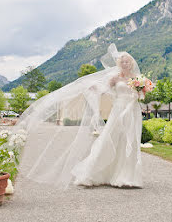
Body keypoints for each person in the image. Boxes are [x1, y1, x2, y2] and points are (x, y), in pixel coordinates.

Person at [16, 44, 143, 188]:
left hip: (132, 110)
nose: (125, 64)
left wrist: (142, 92)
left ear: (131, 63)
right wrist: (94, 89)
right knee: (110, 138)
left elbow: (141, 94)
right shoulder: (115, 78)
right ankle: (95, 172)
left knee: (129, 139)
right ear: (119, 64)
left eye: (127, 61)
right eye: (123, 62)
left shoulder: (137, 79)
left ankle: (125, 176)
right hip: (118, 110)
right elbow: (104, 89)